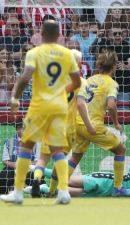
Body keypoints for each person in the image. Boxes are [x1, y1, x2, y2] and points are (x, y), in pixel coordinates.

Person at [0, 20, 81, 205]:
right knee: (58, 150)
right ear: (59, 34)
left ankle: (18, 192)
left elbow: (25, 77)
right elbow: (76, 82)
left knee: (26, 146)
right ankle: (62, 192)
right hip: (60, 106)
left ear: (42, 32)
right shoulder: (68, 54)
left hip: (40, 105)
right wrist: (61, 91)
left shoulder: (34, 52)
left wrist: (14, 98)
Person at [67, 50, 130, 197]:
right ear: (114, 66)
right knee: (121, 149)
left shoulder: (89, 80)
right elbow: (111, 105)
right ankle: (118, 188)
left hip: (78, 122)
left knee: (76, 156)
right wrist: (116, 123)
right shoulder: (112, 84)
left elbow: (79, 100)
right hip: (93, 125)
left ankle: (59, 185)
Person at [30, 49, 94, 198]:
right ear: (79, 64)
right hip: (68, 128)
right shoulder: (81, 82)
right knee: (60, 161)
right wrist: (89, 125)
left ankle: (36, 179)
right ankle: (52, 192)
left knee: (43, 159)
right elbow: (81, 104)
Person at [36, 158, 130, 197]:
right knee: (68, 179)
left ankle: (47, 189)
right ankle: (38, 169)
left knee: (75, 192)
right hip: (108, 180)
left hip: (108, 193)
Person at [0, 120, 41, 194]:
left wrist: (24, 165)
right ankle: (3, 197)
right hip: (13, 168)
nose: (25, 130)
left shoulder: (36, 142)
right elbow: (5, 160)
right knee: (3, 176)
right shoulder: (9, 141)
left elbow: (37, 161)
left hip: (30, 168)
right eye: (22, 128)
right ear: (17, 129)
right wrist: (16, 165)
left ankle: (38, 197)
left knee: (38, 177)